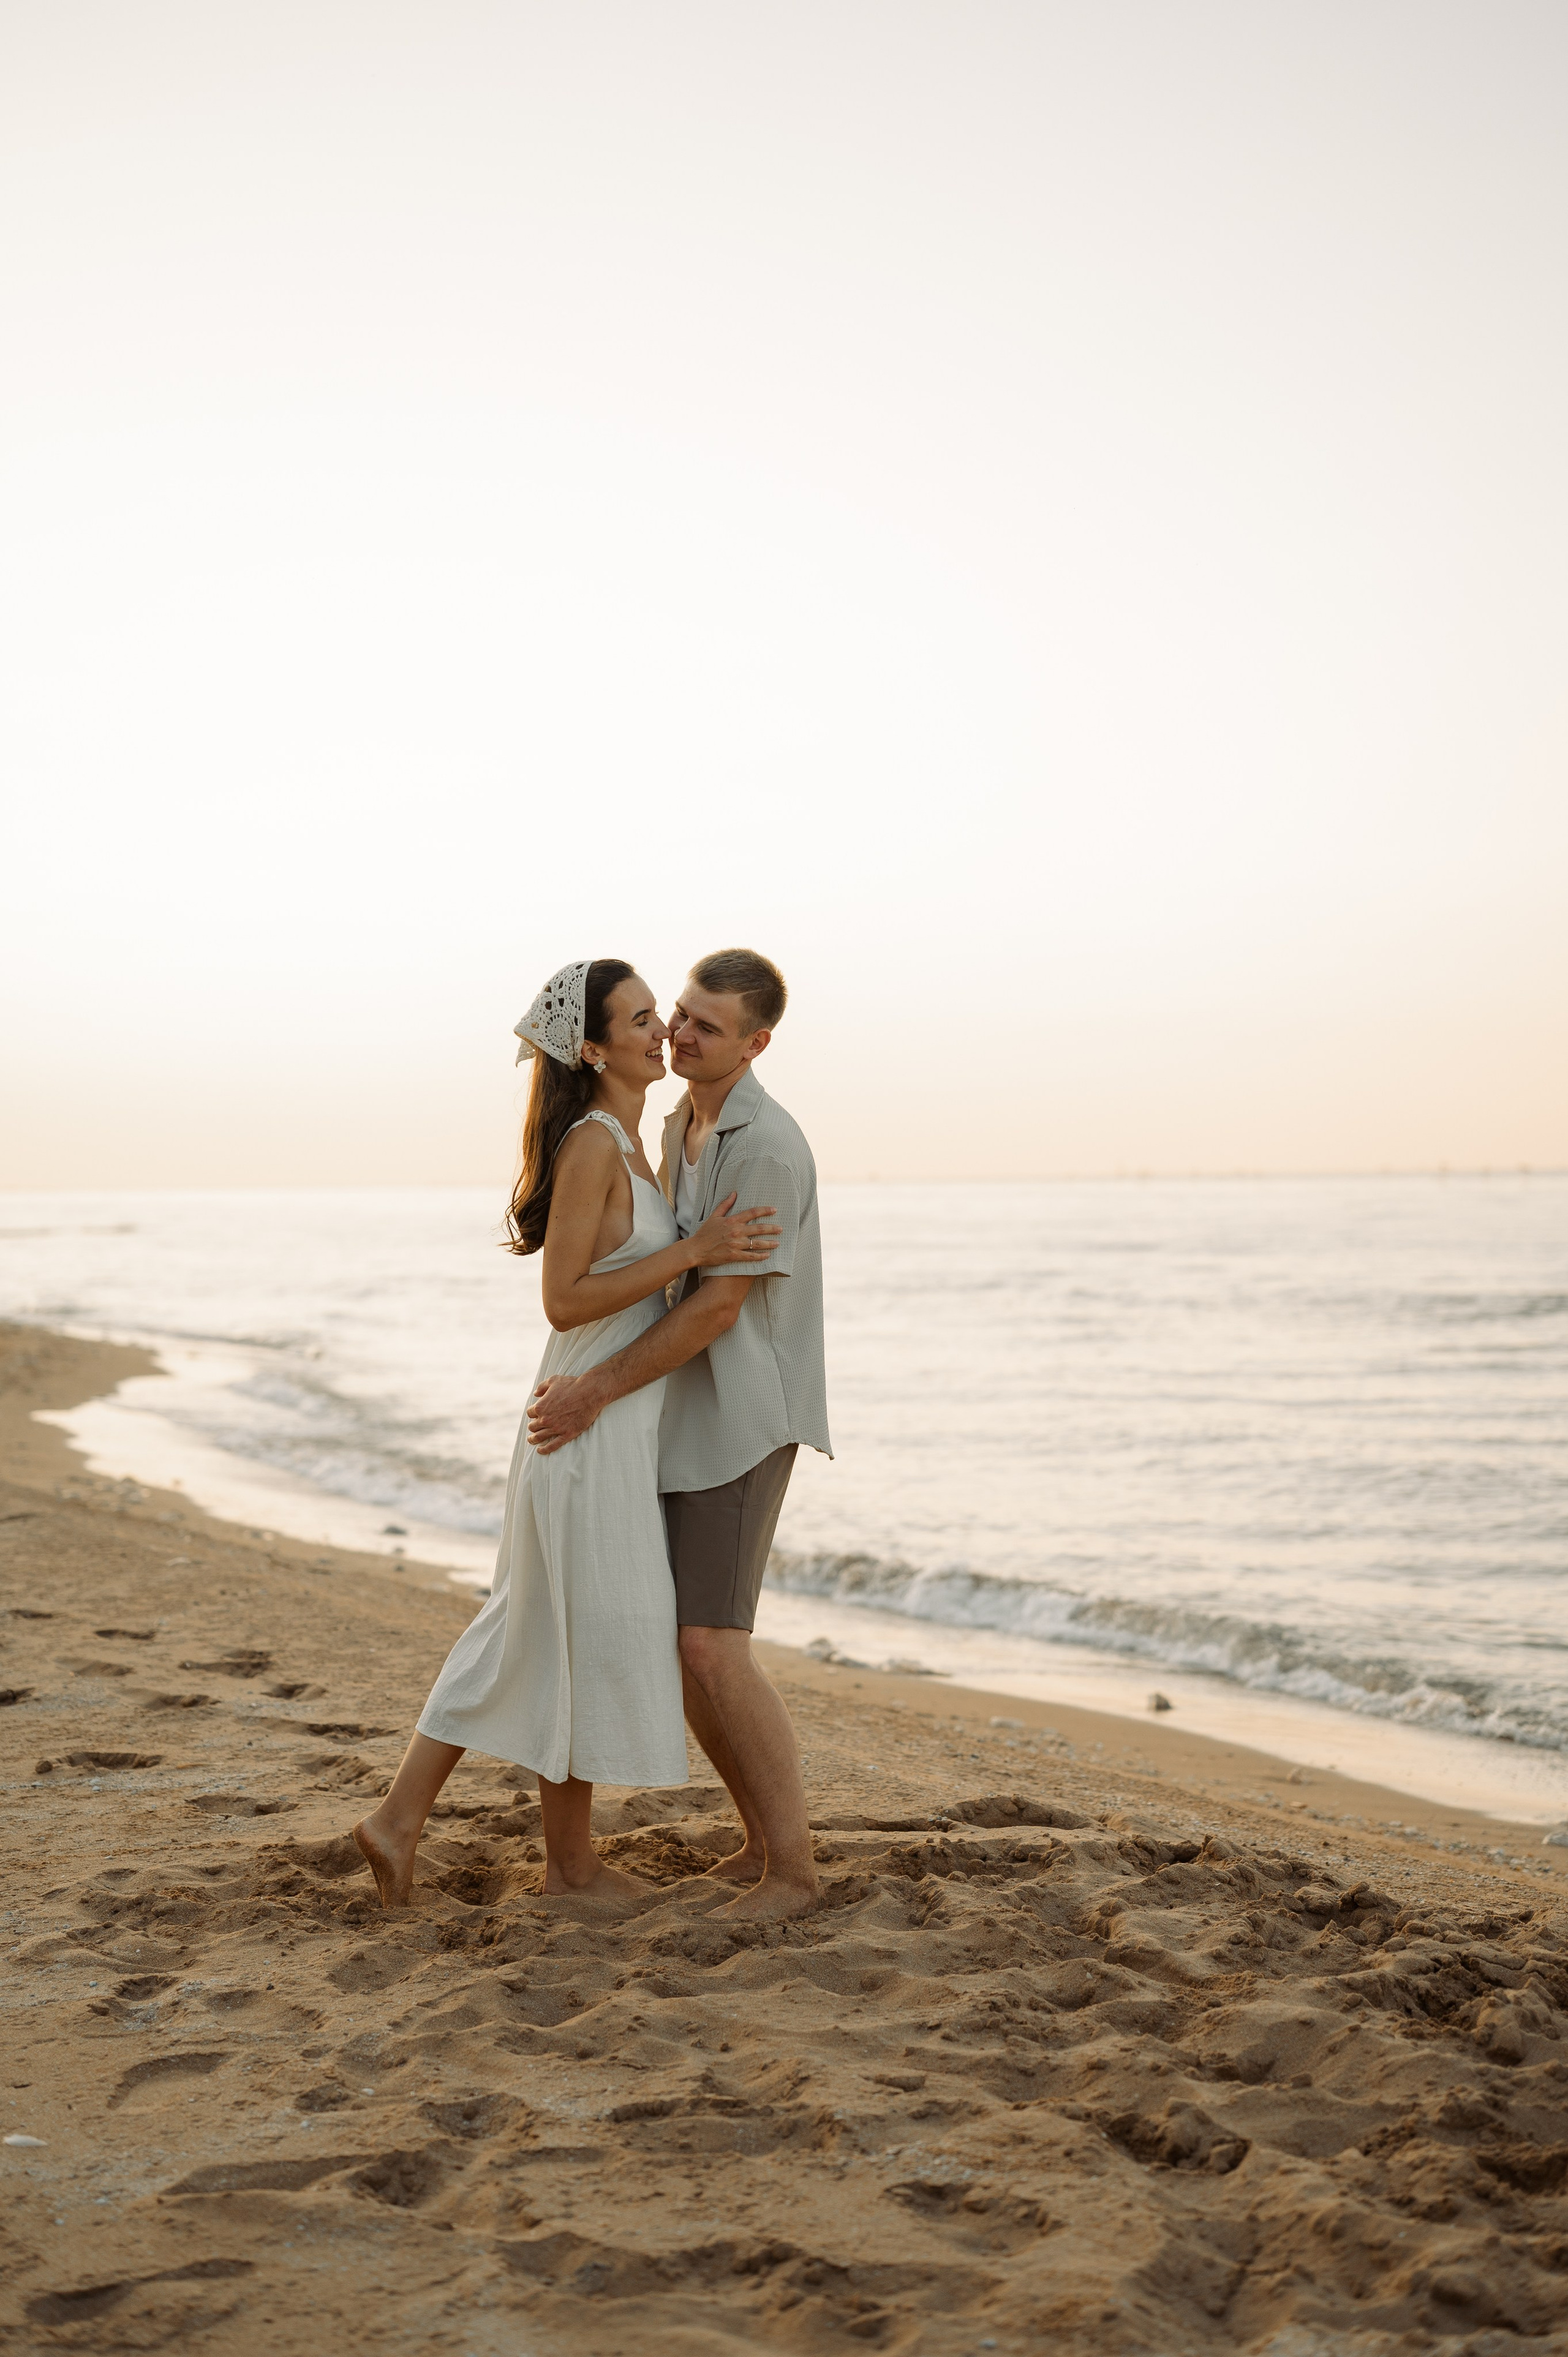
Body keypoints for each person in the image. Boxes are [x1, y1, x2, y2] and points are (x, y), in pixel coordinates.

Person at [351, 958, 781, 1909]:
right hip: (581, 1417)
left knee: (545, 1626)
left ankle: (440, 1831)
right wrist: (696, 1251)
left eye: (659, 1016)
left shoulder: (633, 1140)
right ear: (593, 1048)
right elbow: (563, 1299)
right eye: (640, 1020)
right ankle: (550, 1863)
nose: (660, 1032)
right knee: (556, 1627)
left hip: (608, 1419)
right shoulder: (594, 1142)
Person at [527, 948, 831, 1920]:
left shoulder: (766, 1146)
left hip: (740, 1422)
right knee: (686, 1640)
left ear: (757, 1043)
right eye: (681, 1015)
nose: (681, 1034)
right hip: (673, 1416)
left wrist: (591, 1393)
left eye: (706, 1025)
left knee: (713, 1644)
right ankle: (757, 1845)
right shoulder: (673, 1124)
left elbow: (714, 1311)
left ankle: (794, 1873)